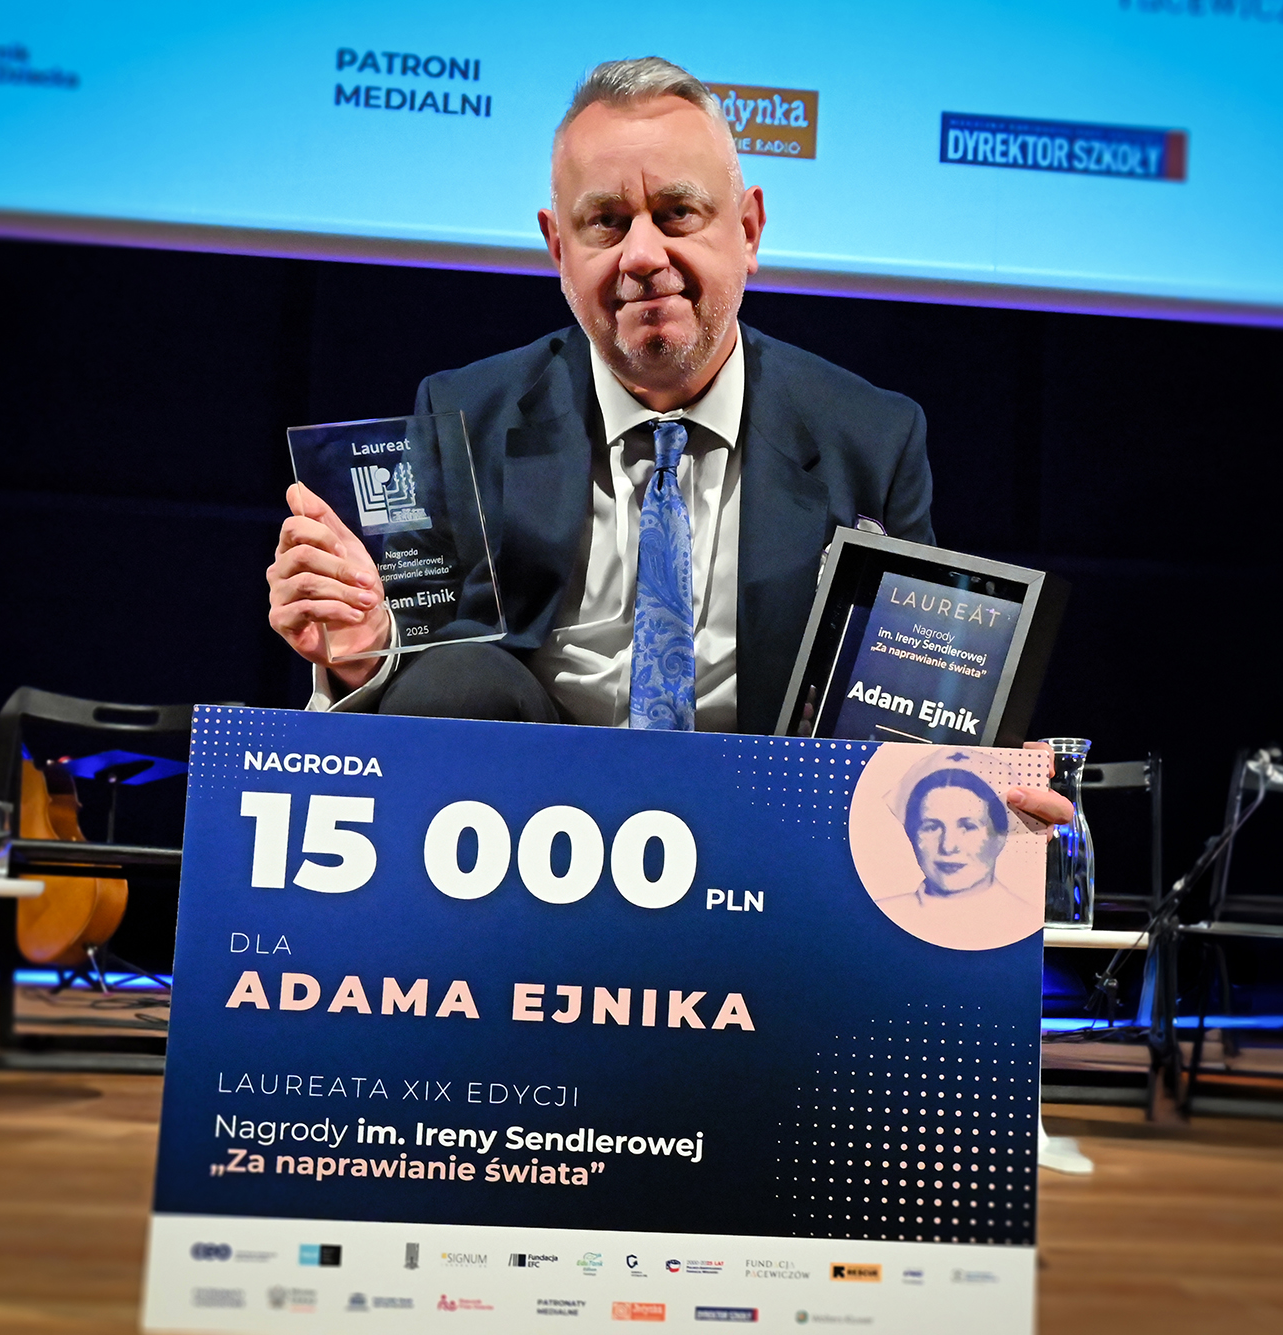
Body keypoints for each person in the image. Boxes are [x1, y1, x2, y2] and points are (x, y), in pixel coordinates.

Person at [266, 55, 1071, 831]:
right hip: (525, 826)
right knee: (456, 681)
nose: (644, 256)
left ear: (748, 230)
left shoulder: (870, 437)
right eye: (606, 222)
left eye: (678, 213)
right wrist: (362, 650)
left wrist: (976, 775)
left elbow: (911, 700)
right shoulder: (467, 415)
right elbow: (424, 682)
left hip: (768, 829)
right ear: (558, 248)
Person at [875, 764, 1042, 951]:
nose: (948, 846)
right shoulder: (882, 916)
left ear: (999, 838)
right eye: (931, 827)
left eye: (968, 827)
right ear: (912, 836)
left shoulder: (1027, 919)